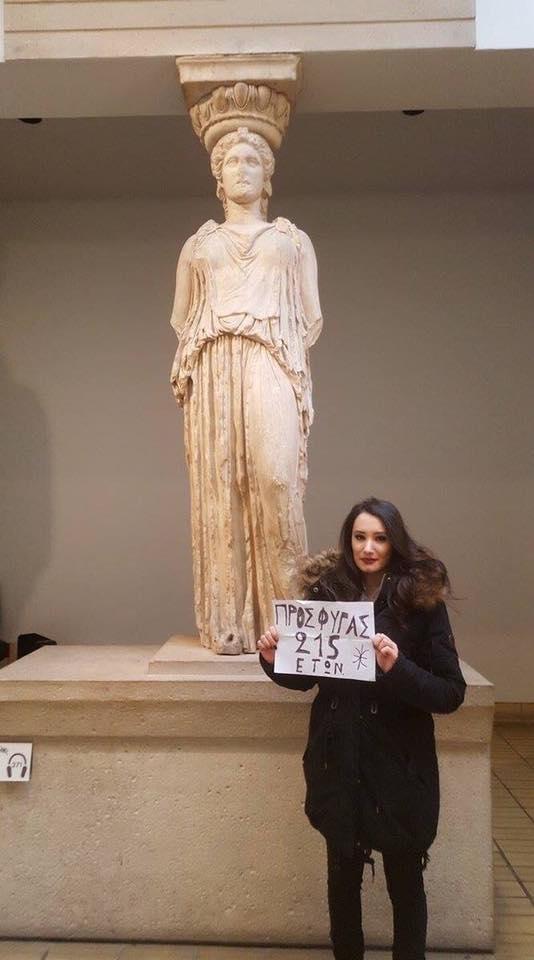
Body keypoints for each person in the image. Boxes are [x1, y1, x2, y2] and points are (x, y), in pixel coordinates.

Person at [258, 497, 466, 960]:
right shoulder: (327, 592)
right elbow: (305, 677)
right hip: (339, 760)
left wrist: (397, 667)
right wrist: (273, 659)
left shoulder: (420, 601)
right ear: (348, 540)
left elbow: (450, 692)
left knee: (405, 879)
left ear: (395, 542)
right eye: (359, 537)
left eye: (379, 538)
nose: (368, 548)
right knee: (341, 878)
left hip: (398, 766)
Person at [170, 127, 322, 655]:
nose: (242, 169)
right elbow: (182, 318)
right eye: (231, 161)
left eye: (251, 161)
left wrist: (266, 343)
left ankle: (289, 621)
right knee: (221, 486)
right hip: (214, 364)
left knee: (277, 479)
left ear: (267, 174)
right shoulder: (199, 245)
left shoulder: (293, 241)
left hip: (271, 356)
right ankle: (228, 620)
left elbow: (311, 318)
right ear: (219, 177)